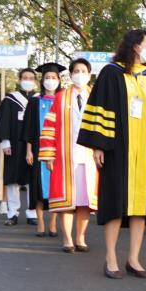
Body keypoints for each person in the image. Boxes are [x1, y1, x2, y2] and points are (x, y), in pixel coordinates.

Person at [79, 29, 146, 279]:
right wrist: (98, 145)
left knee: (141, 206)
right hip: (117, 149)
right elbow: (98, 108)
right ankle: (110, 258)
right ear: (134, 46)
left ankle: (133, 259)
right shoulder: (110, 74)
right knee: (114, 202)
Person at [40, 58, 99, 252]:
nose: (79, 74)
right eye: (76, 71)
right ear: (71, 74)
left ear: (89, 75)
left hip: (89, 158)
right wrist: (49, 155)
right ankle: (67, 239)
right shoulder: (61, 97)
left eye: (83, 71)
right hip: (65, 156)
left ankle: (80, 238)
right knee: (66, 202)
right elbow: (49, 126)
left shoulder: (96, 97)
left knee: (84, 202)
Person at [23, 62, 65, 238]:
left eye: (53, 77)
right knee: (38, 189)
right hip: (38, 150)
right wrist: (29, 151)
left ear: (59, 80)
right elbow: (28, 128)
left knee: (56, 188)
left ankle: (53, 223)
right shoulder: (34, 102)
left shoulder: (64, 100)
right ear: (42, 80)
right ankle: (40, 221)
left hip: (59, 151)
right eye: (47, 77)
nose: (50, 80)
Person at [0, 70, 36, 226]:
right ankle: (12, 213)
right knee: (13, 179)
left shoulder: (38, 99)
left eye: (31, 78)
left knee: (32, 180)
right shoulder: (10, 99)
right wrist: (5, 141)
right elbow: (4, 121)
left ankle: (32, 213)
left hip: (33, 144)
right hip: (14, 144)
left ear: (35, 81)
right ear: (19, 80)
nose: (28, 80)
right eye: (25, 78)